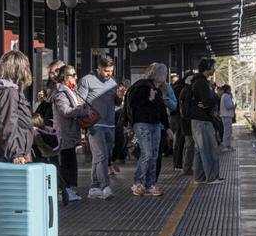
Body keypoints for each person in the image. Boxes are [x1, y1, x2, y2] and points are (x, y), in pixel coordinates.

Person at [76, 55, 122, 199]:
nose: (109, 74)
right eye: (107, 71)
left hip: (110, 123)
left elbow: (116, 103)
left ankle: (94, 187)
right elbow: (79, 102)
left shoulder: (113, 81)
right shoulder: (86, 80)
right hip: (95, 125)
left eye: (111, 70)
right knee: (101, 154)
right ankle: (105, 186)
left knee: (101, 155)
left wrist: (119, 96)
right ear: (99, 68)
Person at [126, 63, 171, 196]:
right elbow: (133, 104)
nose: (165, 76)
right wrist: (149, 99)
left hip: (155, 124)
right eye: (164, 73)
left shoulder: (157, 89)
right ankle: (138, 182)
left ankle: (150, 184)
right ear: (158, 75)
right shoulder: (143, 87)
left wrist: (167, 127)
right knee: (147, 153)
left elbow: (161, 109)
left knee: (154, 154)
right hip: (143, 124)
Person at [0, 50, 34, 164]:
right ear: (19, 70)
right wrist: (15, 154)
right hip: (8, 156)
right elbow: (7, 124)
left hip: (5, 153)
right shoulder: (9, 92)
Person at [51, 64, 90, 202]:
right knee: (67, 163)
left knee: (70, 162)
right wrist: (83, 110)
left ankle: (68, 189)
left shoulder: (69, 91)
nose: (76, 77)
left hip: (70, 133)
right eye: (73, 75)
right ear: (64, 78)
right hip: (65, 134)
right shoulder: (61, 93)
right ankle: (65, 190)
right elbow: (65, 111)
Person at [184, 59, 221, 183]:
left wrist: (206, 103)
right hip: (203, 121)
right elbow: (209, 100)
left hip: (197, 121)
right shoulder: (202, 83)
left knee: (199, 150)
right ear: (208, 68)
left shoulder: (196, 81)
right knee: (209, 149)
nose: (214, 69)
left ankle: (199, 177)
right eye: (213, 67)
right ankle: (211, 177)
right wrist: (211, 101)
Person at [172, 70, 195, 170]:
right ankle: (178, 163)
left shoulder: (178, 87)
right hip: (180, 117)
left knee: (181, 139)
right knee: (181, 139)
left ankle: (178, 163)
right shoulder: (182, 88)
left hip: (179, 116)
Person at [219, 85, 236, 150]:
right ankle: (226, 146)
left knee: (227, 131)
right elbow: (228, 106)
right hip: (227, 116)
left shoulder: (223, 96)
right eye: (230, 89)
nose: (230, 90)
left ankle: (227, 145)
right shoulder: (227, 96)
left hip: (225, 115)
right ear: (227, 89)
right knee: (227, 131)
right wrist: (234, 105)